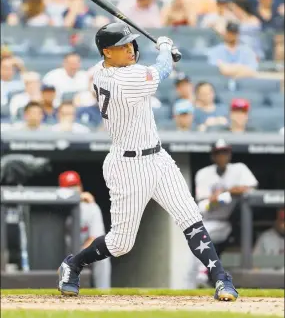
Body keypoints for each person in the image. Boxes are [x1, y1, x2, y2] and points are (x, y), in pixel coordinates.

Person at [57, 22, 238, 301]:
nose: (130, 50)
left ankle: (222, 279)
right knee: (121, 243)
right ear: (106, 52)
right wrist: (165, 47)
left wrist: (159, 52)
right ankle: (73, 264)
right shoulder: (121, 79)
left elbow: (143, 63)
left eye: (131, 44)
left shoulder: (102, 69)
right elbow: (162, 69)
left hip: (158, 158)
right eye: (123, 46)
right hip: (128, 167)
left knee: (191, 219)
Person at [194, 139, 258, 286]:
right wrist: (217, 199)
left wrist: (226, 192)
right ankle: (201, 278)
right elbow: (203, 203)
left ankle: (203, 274)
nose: (222, 156)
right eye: (218, 153)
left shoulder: (239, 169)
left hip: (224, 221)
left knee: (204, 237)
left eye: (225, 152)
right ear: (213, 156)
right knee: (196, 244)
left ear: (229, 154)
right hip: (205, 216)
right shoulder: (203, 174)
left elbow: (252, 187)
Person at [58, 171, 111, 288]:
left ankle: (104, 293)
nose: (74, 190)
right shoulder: (56, 209)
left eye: (76, 186)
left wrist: (78, 257)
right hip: (62, 254)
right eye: (69, 187)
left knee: (103, 259)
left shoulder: (90, 207)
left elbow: (96, 238)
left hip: (82, 252)